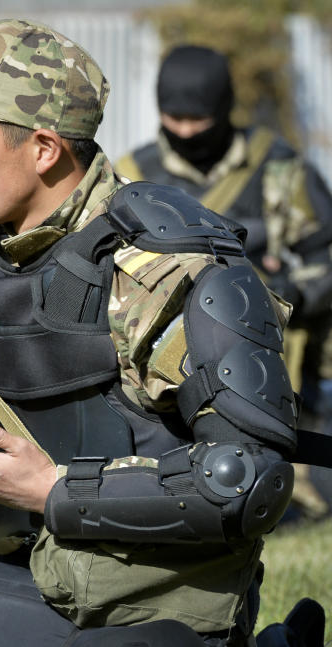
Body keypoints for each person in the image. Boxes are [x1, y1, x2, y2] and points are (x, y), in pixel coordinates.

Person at [0, 19, 303, 647]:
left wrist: (55, 490)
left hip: (156, 604)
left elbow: (246, 481)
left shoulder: (169, 271)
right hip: (14, 586)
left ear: (43, 149)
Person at [115, 45, 332, 519]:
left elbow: (325, 256)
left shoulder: (278, 169)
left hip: (269, 348)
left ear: (223, 110)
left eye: (200, 120)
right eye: (175, 119)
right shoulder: (130, 175)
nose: (188, 132)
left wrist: (291, 293)